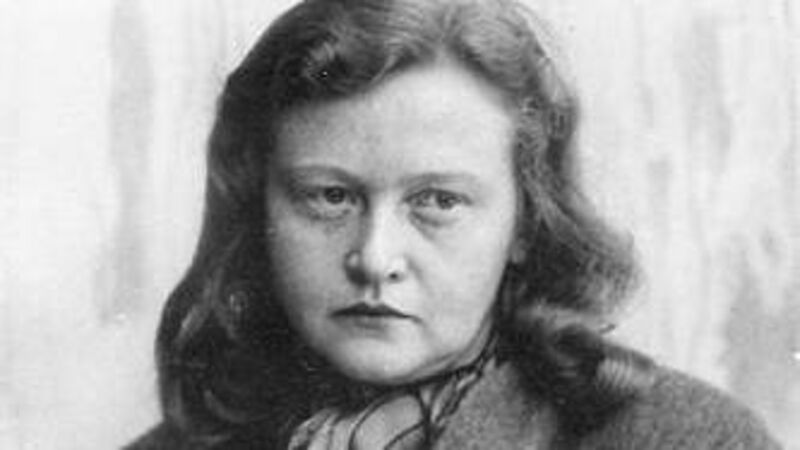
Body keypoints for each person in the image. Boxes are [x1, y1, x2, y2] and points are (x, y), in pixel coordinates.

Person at [128, 0, 782, 448]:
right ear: (260, 207)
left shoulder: (687, 440)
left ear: (525, 222)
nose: (375, 258)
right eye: (330, 196)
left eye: (437, 201)